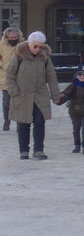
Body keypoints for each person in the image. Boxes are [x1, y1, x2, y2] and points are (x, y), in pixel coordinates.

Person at [6, 31, 61, 160]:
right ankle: (24, 150)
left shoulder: (45, 57)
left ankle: (38, 150)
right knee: (23, 123)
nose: (38, 49)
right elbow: (9, 76)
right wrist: (14, 93)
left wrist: (55, 95)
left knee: (39, 122)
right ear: (29, 44)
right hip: (22, 95)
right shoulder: (19, 56)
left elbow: (51, 77)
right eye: (35, 46)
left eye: (40, 46)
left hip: (39, 95)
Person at [55, 64, 84, 154]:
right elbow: (65, 95)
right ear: (76, 75)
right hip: (74, 111)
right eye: (80, 74)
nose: (82, 76)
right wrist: (58, 100)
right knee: (76, 129)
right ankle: (77, 145)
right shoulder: (72, 86)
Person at [0, 25, 22, 131]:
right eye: (11, 38)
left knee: (20, 102)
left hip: (20, 77)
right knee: (6, 103)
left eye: (15, 37)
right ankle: (6, 121)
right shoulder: (1, 45)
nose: (13, 39)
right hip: (5, 77)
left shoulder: (23, 45)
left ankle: (20, 123)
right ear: (7, 37)